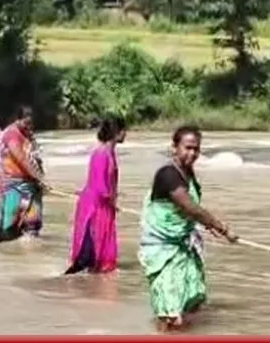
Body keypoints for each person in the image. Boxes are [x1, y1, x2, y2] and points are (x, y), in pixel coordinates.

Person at [138, 125, 237, 331]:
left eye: (196, 149)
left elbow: (190, 211)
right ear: (174, 147)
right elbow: (189, 207)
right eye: (187, 147)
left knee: (193, 303)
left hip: (183, 245)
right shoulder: (168, 175)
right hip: (163, 249)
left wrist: (204, 224)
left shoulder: (187, 172)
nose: (192, 153)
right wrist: (221, 228)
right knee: (170, 315)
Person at [66, 115, 126, 274]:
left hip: (101, 205)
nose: (126, 134)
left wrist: (114, 197)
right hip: (95, 207)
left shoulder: (109, 152)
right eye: (123, 130)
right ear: (116, 132)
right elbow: (100, 187)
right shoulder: (102, 154)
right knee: (90, 255)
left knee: (97, 257)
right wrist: (112, 200)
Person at [0, 106, 46, 243]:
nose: (29, 126)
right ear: (18, 120)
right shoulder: (11, 134)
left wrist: (41, 178)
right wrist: (39, 178)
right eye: (26, 122)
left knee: (32, 225)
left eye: (31, 123)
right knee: (10, 225)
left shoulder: (28, 135)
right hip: (13, 184)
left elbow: (35, 158)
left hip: (31, 183)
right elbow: (21, 158)